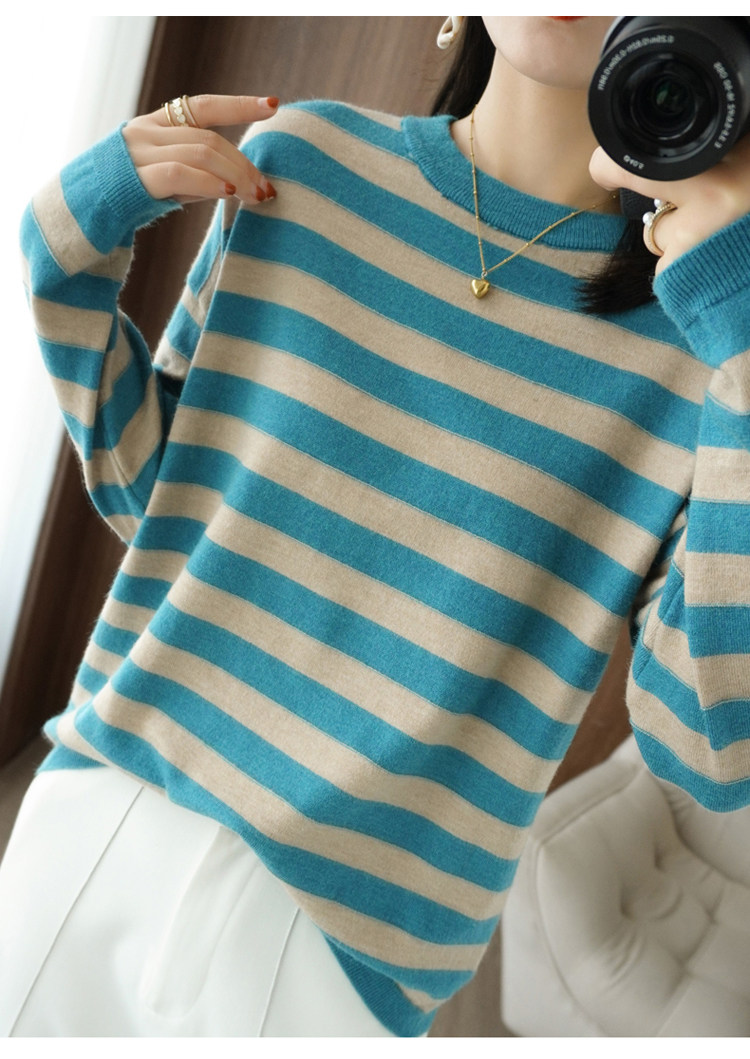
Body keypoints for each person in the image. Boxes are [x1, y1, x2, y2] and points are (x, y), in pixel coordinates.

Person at [2, 14, 750, 1038]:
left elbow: (709, 743)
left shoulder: (706, 340)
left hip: (346, 960)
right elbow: (162, 506)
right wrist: (61, 252)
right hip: (108, 823)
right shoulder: (302, 163)